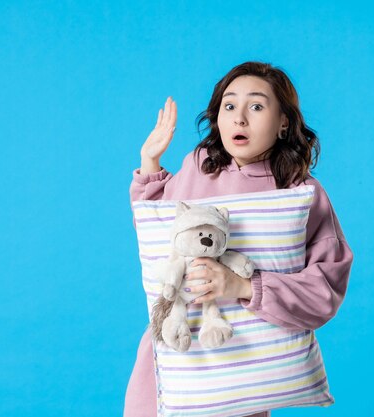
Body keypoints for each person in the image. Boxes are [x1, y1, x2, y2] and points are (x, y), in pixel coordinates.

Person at [124, 61, 354, 417]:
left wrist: (244, 285)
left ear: (283, 122)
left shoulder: (301, 192)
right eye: (229, 106)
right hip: (172, 368)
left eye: (257, 106)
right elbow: (157, 239)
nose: (239, 118)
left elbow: (325, 291)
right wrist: (150, 163)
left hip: (240, 378)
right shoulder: (198, 166)